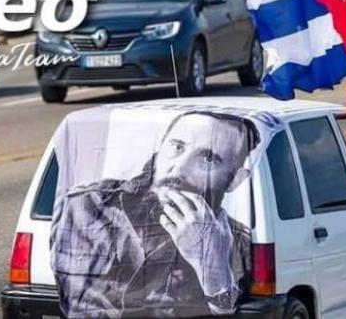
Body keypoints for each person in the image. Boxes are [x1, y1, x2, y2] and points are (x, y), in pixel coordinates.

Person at [52, 111, 258, 317]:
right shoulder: (91, 205)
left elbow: (238, 312)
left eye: (207, 159)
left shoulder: (240, 242)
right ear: (159, 150)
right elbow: (81, 306)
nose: (178, 169)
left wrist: (213, 272)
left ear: (235, 180)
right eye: (177, 147)